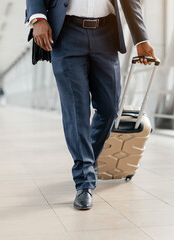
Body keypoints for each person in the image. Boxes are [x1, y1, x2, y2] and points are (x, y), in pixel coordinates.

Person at [25, 0, 156, 210]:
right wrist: (37, 17)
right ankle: (84, 182)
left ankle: (88, 160)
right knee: (77, 111)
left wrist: (141, 39)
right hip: (66, 32)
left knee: (110, 107)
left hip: (107, 34)